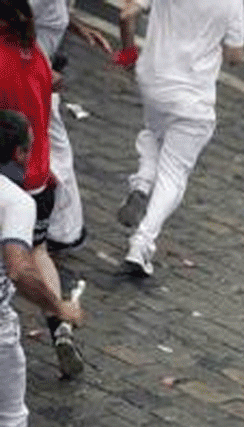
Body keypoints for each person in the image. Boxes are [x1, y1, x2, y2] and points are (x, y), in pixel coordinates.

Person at [115, 0, 244, 277]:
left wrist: (127, 54)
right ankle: (143, 242)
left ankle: (142, 182)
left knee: (153, 132)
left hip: (153, 81)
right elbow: (234, 56)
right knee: (174, 172)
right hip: (192, 96)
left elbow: (126, 15)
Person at [0, 0, 84, 378]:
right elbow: (53, 82)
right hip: (41, 178)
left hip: (9, 178)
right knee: (39, 250)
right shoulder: (33, 52)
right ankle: (58, 324)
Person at [0, 110, 85, 427]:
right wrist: (58, 307)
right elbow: (19, 271)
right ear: (19, 153)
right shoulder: (15, 202)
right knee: (11, 417)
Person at [28, 0, 112, 252]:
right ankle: (63, 230)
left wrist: (74, 26)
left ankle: (64, 229)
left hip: (34, 75)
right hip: (29, 78)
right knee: (54, 150)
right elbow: (11, 18)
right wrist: (40, 67)